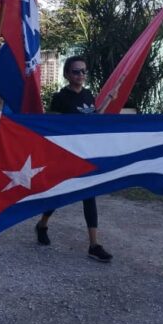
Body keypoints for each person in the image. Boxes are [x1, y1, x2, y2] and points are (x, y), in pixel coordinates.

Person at [34, 55, 113, 263]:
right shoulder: (61, 97)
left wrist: (107, 102)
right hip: (66, 156)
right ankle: (42, 224)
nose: (80, 75)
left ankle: (94, 245)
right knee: (59, 193)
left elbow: (93, 120)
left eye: (83, 71)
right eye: (76, 71)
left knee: (90, 195)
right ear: (67, 74)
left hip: (86, 154)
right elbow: (55, 125)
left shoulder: (88, 95)